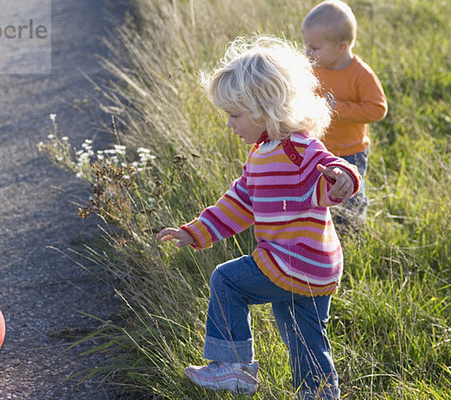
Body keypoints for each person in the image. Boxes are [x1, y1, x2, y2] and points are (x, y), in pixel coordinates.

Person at [156, 34, 361, 399]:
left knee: (227, 280)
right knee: (303, 337)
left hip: (294, 261)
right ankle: (318, 394)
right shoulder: (261, 154)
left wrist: (344, 177)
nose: (230, 125)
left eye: (234, 115)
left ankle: (233, 366)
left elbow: (329, 168)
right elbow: (238, 203)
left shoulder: (298, 147)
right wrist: (195, 232)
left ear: (265, 109)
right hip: (310, 266)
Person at [301, 0, 387, 220]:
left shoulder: (361, 75)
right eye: (307, 45)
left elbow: (377, 109)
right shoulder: (313, 70)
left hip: (351, 150)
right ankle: (323, 230)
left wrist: (336, 109)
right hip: (319, 147)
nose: (307, 52)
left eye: (314, 48)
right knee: (320, 191)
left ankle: (353, 231)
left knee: (350, 196)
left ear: (341, 47)